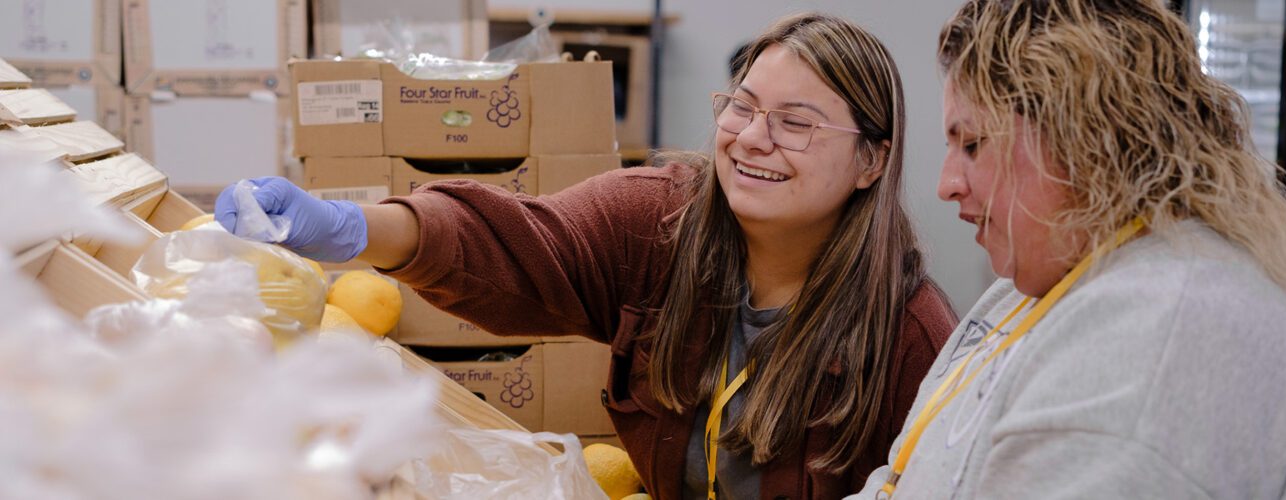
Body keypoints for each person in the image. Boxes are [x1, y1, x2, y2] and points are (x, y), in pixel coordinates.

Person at [216, 13, 959, 500]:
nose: (752, 138)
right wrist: (351, 228)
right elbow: (519, 244)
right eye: (742, 106)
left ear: (871, 162)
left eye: (796, 123)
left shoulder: (908, 339)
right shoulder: (660, 221)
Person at [851, 1, 1286, 498]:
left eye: (974, 144)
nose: (947, 183)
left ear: (1084, 139)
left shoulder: (1166, 336)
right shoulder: (1043, 280)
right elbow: (900, 477)